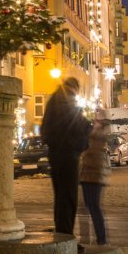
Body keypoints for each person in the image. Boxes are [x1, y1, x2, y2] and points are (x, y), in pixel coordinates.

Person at [40, 77, 90, 239]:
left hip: (55, 154)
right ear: (74, 89)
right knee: (68, 198)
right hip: (68, 155)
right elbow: (78, 126)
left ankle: (61, 234)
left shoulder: (53, 101)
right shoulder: (67, 102)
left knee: (61, 196)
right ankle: (66, 237)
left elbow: (45, 130)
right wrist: (83, 142)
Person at [78, 117, 110, 246]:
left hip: (93, 177)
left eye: (96, 122)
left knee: (94, 208)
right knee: (89, 207)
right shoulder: (94, 136)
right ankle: (94, 239)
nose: (94, 123)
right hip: (89, 176)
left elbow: (92, 156)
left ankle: (101, 239)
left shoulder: (97, 137)